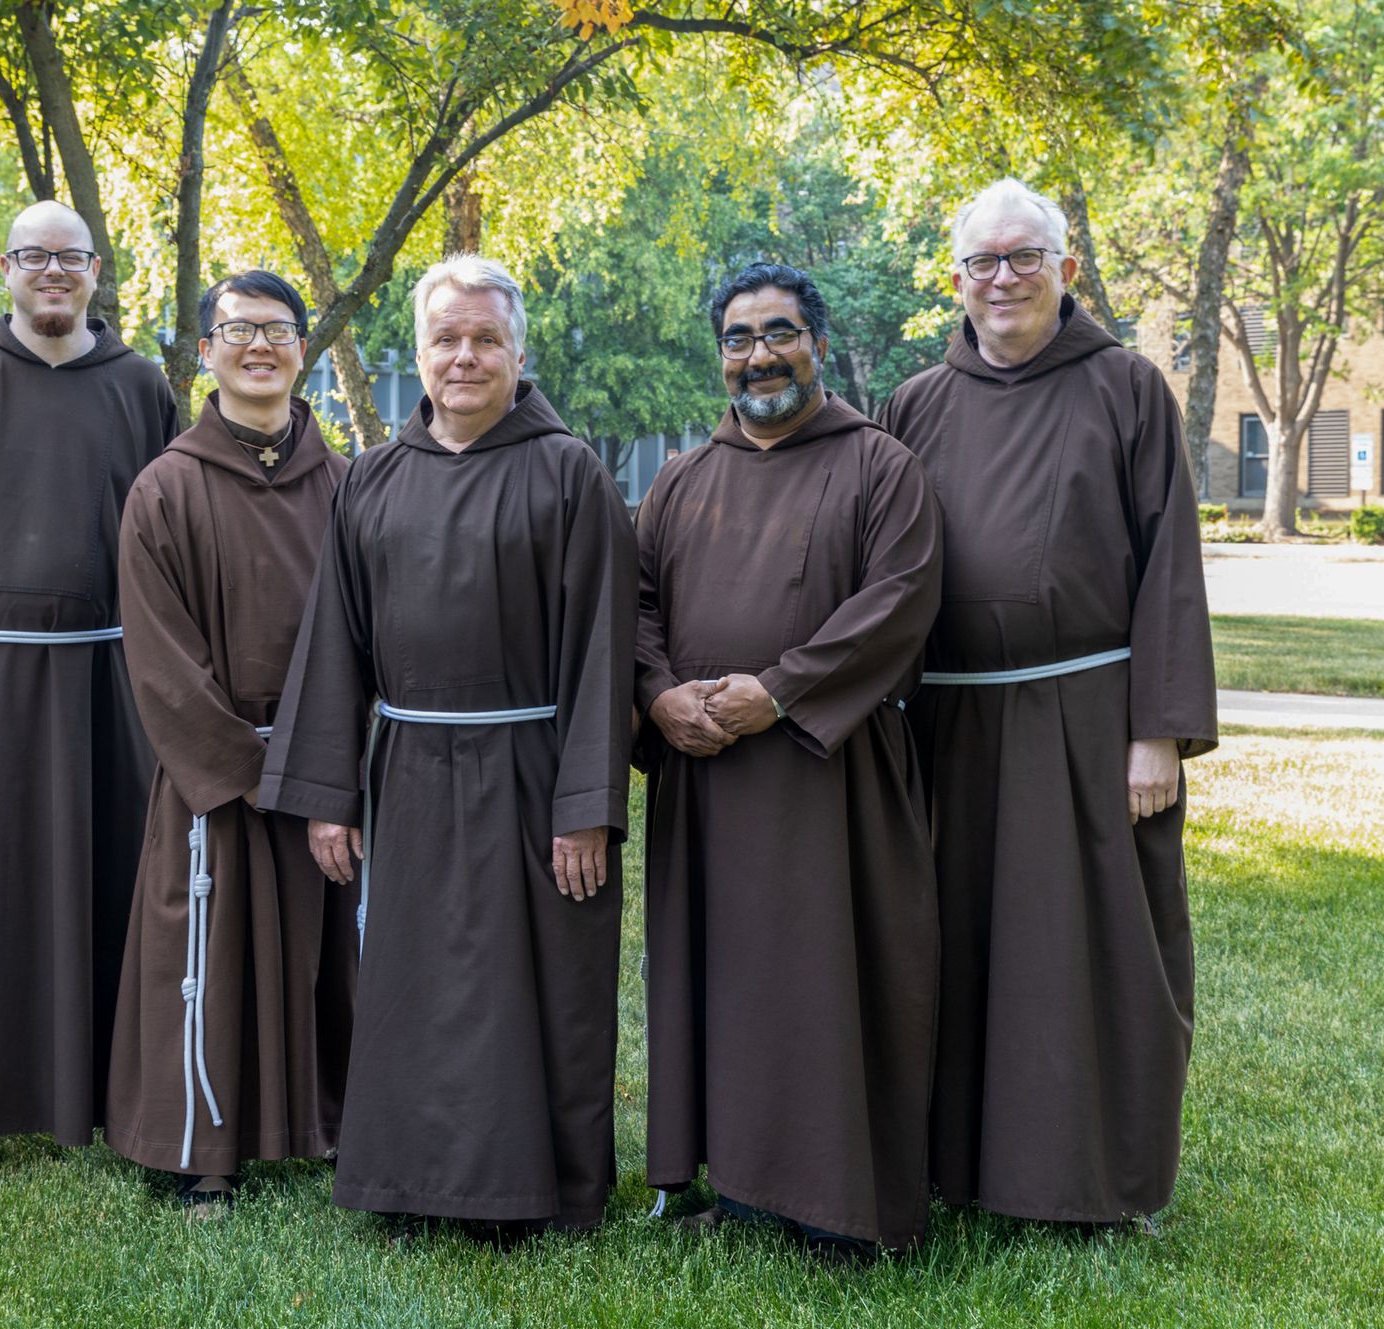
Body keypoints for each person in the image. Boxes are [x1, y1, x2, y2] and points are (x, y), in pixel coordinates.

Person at [258, 254, 635, 1232]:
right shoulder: (372, 479)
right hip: (411, 772)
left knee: (535, 985)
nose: (463, 356)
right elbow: (335, 641)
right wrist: (329, 792)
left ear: (517, 351)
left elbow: (603, 647)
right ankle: (408, 1181)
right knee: (411, 986)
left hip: (529, 771)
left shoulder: (569, 475)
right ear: (417, 353)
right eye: (444, 338)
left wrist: (585, 807)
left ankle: (538, 1189)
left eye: (483, 339)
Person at [879, 179, 1217, 1227]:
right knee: (962, 945)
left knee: (1090, 951)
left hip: (1088, 718)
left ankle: (1088, 1179)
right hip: (951, 727)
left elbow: (1169, 563)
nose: (1003, 279)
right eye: (981, 262)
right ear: (954, 281)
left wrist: (1154, 729)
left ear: (1064, 270)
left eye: (1023, 257)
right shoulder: (913, 404)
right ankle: (962, 1168)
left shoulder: (1125, 387)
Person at [635, 262, 943, 1254]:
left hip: (828, 778)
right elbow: (635, 607)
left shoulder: (878, 466)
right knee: (725, 985)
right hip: (708, 781)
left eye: (777, 331)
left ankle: (840, 1203)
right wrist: (657, 693)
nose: (757, 353)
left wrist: (780, 690)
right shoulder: (682, 479)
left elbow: (896, 600)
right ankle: (741, 1188)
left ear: (817, 339)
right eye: (736, 336)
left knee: (827, 983)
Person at [0, 201, 178, 1183]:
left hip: (108, 670)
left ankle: (107, 1087)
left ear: (95, 270)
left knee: (115, 874)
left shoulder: (141, 385)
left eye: (69, 259)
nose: (51, 273)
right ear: (7, 267)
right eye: (33, 257)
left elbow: (164, 526)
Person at [105, 270, 356, 1217]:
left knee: (338, 952)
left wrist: (329, 763)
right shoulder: (165, 489)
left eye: (279, 330)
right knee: (206, 953)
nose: (260, 346)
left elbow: (376, 632)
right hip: (221, 771)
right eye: (237, 330)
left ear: (304, 351)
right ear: (205, 352)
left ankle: (334, 1122)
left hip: (328, 767)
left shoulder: (348, 483)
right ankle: (204, 1150)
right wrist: (254, 771)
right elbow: (161, 661)